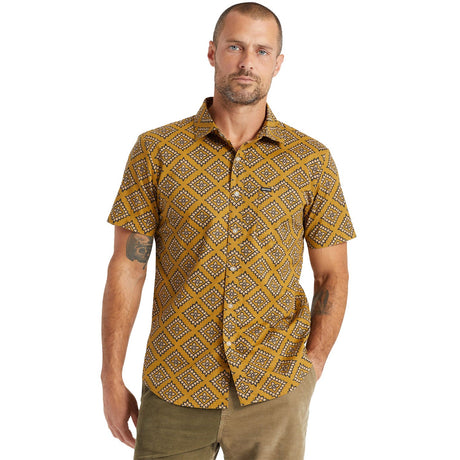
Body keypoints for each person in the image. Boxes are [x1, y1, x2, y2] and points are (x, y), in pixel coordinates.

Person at [101, 2, 356, 459]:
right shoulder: (157, 151)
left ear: (278, 63)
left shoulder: (311, 161)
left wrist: (312, 366)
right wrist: (110, 376)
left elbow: (331, 275)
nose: (246, 62)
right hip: (175, 381)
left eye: (262, 51)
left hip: (275, 386)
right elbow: (127, 267)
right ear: (212, 52)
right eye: (235, 47)